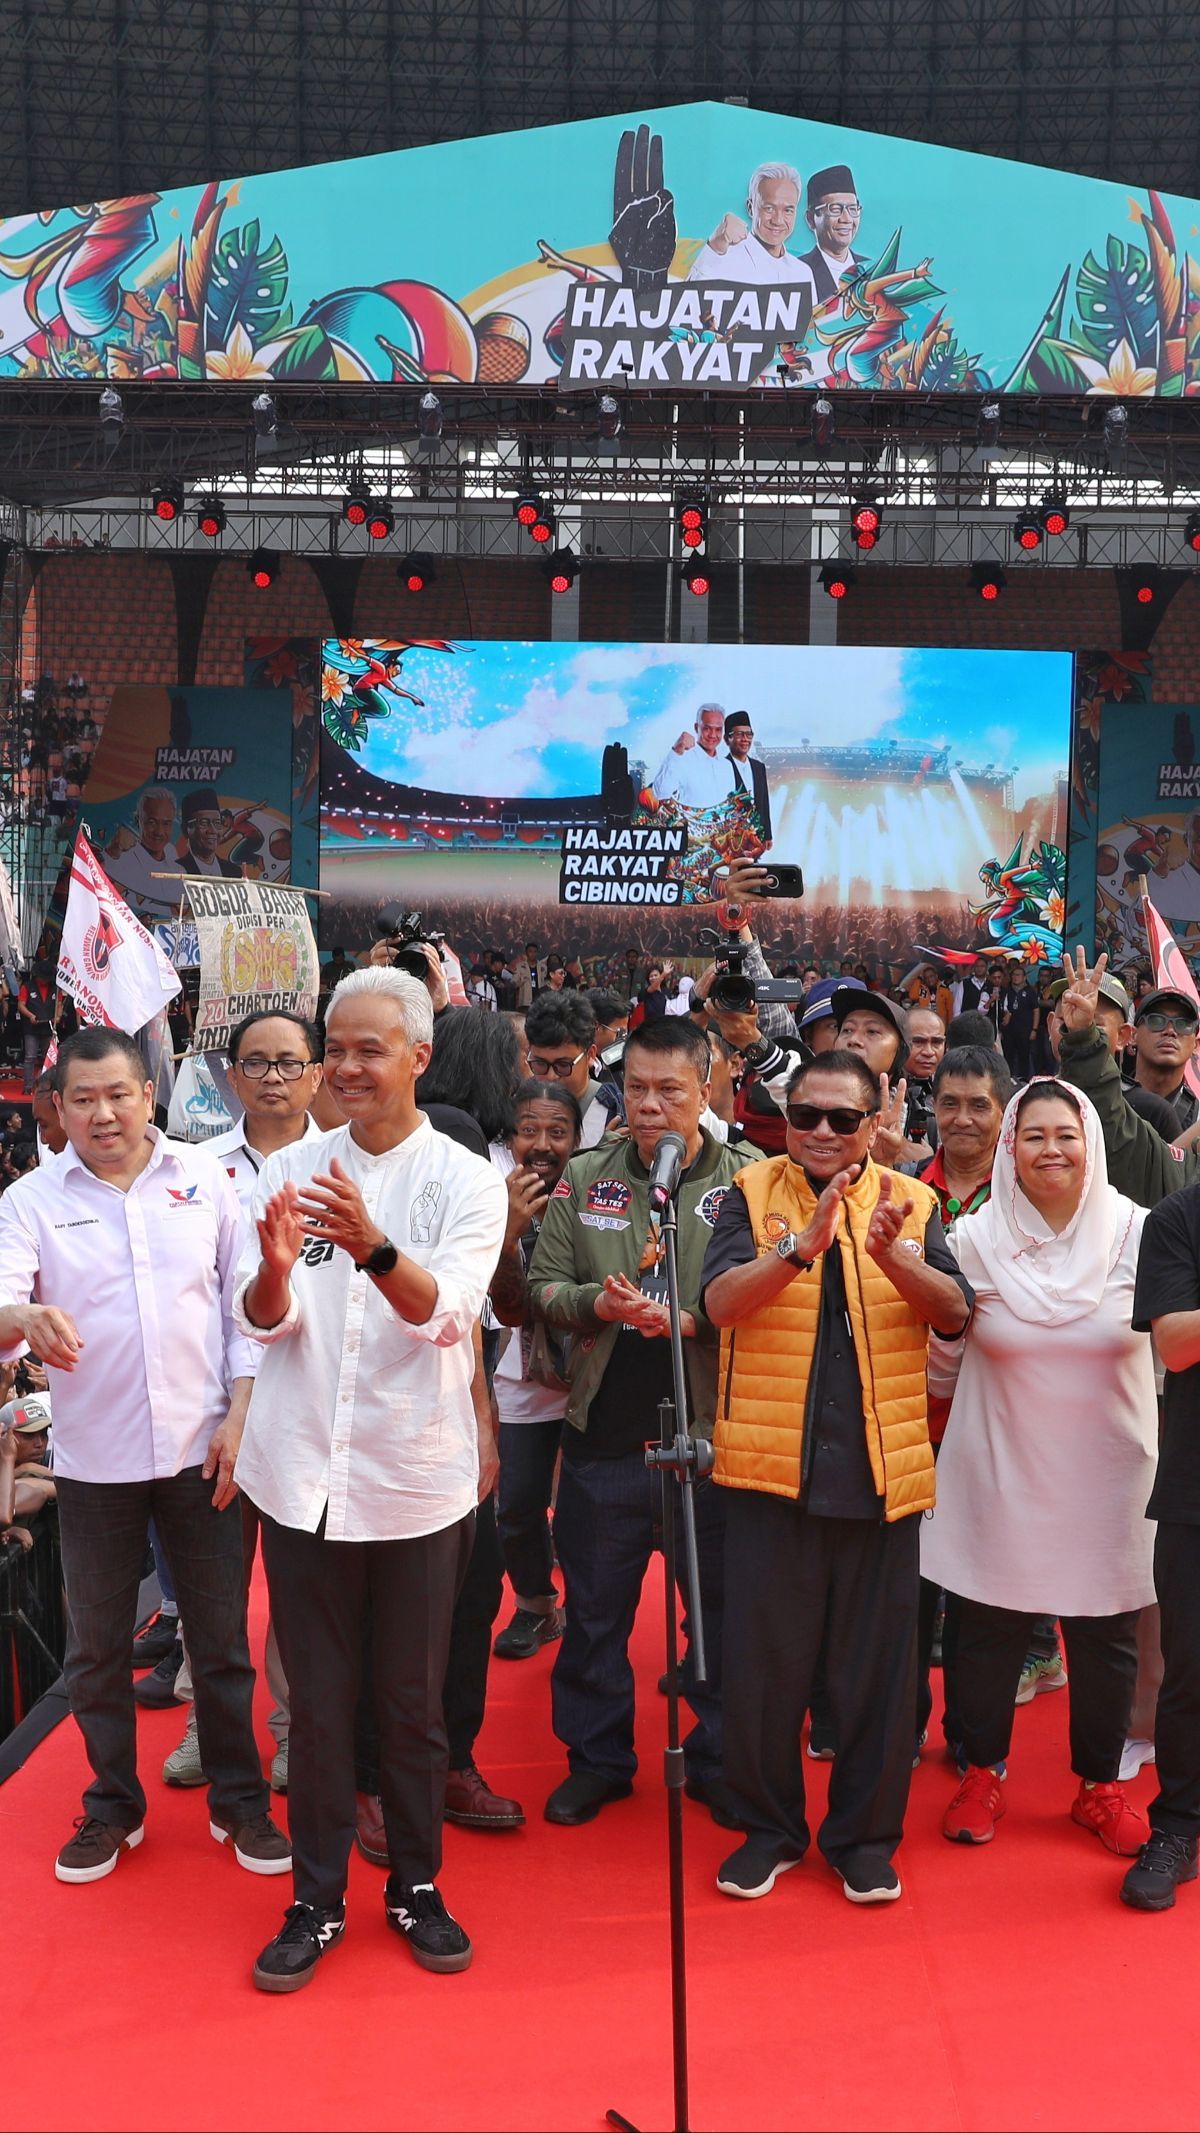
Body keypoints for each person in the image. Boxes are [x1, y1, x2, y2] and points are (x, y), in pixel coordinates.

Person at [230, 968, 507, 1992]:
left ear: (419, 1058)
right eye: (332, 1048)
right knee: (321, 1703)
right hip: (302, 1473)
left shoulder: (466, 1180)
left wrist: (377, 1247)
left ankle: (418, 1887)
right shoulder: (291, 1169)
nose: (344, 1067)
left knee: (410, 1704)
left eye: (367, 1049)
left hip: (415, 1479)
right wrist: (269, 1272)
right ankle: (314, 1898)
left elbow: (447, 1318)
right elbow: (267, 1321)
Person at [0, 1028, 288, 1884]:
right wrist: (24, 1320)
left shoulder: (208, 1181)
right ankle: (112, 1805)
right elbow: (3, 1299)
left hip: (205, 1451)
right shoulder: (31, 1201)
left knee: (221, 1642)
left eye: (118, 1094)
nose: (103, 1113)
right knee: (94, 1647)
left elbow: (248, 1312)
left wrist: (241, 1414)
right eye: (82, 1098)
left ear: (148, 1094)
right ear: (58, 1106)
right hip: (94, 1462)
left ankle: (240, 1804)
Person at [701, 1049, 972, 1903]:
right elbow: (717, 1306)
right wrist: (800, 1250)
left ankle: (861, 1837)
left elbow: (956, 1312)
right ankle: (770, 1828)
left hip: (881, 1477)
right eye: (804, 1115)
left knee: (879, 1681)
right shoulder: (746, 1195)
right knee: (760, 1673)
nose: (820, 1132)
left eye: (840, 1118)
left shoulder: (917, 1202)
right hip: (765, 1474)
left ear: (871, 1123)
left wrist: (893, 1258)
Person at [529, 1015, 758, 1829]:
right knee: (594, 1616)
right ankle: (596, 1761)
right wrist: (598, 1302)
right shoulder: (587, 1176)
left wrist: (689, 1318)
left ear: (709, 1090)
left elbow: (773, 1299)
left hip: (714, 1437)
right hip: (604, 1438)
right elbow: (543, 1285)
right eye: (637, 1090)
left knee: (722, 1619)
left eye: (671, 1090)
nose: (651, 1107)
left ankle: (720, 1760)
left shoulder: (752, 1179)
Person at [926, 1082, 1156, 1856]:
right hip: (1001, 1462)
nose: (1050, 1149)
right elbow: (940, 1363)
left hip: (1111, 1469)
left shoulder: (1140, 1236)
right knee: (985, 1627)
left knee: (1105, 1634)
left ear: (1091, 1141)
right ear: (1008, 1149)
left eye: (1066, 1133)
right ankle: (982, 1770)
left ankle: (1099, 1784)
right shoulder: (971, 1241)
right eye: (1033, 1136)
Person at [162, 1011, 327, 1794]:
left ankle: (295, 1730)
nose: (271, 1076)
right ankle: (209, 1724)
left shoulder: (339, 1169)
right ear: (231, 1075)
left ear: (316, 1074)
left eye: (289, 1062)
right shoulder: (190, 1171)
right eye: (255, 1062)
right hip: (215, 1405)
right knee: (214, 1580)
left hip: (306, 1407)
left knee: (297, 1587)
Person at [910, 1045, 1015, 1755]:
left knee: (984, 1601)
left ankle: (978, 1748)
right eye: (950, 1103)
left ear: (1005, 1112)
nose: (964, 1118)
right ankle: (898, 1726)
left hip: (1001, 1427)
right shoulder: (904, 1189)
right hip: (912, 1425)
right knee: (906, 1596)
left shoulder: (1031, 1200)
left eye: (980, 1104)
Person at [1124, 1166, 1200, 1906]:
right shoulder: (1178, 1217)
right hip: (1194, 1489)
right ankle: (1178, 1823)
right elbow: (1176, 1342)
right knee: (1191, 1673)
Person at [488, 1079, 580, 1659]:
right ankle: (534, 1604)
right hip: (522, 1377)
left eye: (557, 1132)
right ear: (512, 1137)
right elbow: (508, 1308)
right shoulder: (490, 1195)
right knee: (518, 1502)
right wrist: (507, 1234)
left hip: (593, 1375)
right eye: (530, 1130)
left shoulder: (597, 1189)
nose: (542, 1144)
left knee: (582, 1511)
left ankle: (593, 1611)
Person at [688, 161, 819, 297]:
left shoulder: (802, 274)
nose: (778, 220)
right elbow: (688, 304)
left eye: (788, 210)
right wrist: (715, 244)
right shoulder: (723, 259)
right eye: (769, 208)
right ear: (751, 208)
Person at [524, 989, 611, 1149]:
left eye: (563, 1066)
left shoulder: (612, 1112)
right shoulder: (518, 1105)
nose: (550, 1077)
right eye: (540, 1064)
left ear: (590, 1055)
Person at [1129, 987, 1199, 1133]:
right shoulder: (1109, 1102)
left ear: (1196, 1045)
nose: (1170, 1031)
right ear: (1132, 1035)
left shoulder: (1197, 1119)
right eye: (1156, 1020)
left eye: (1183, 1024)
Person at [104, 789, 181, 914]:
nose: (159, 832)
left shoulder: (170, 852)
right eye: (152, 822)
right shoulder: (121, 853)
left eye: (166, 824)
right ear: (139, 819)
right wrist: (112, 851)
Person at [648, 704, 735, 813]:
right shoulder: (681, 759)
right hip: (691, 828)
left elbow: (730, 805)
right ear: (696, 727)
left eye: (718, 729)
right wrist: (676, 751)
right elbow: (660, 793)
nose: (713, 735)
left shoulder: (726, 765)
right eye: (707, 728)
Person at [798, 163, 866, 304]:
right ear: (811, 219)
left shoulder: (871, 269)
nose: (847, 219)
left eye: (853, 209)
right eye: (835, 209)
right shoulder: (797, 271)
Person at [724, 712, 772, 844]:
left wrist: (767, 834)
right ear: (727, 739)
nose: (745, 739)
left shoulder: (759, 767)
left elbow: (763, 802)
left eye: (749, 734)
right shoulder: (721, 767)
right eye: (739, 734)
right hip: (731, 837)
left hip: (756, 837)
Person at [16, 964, 58, 1095]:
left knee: (49, 1057)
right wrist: (30, 1015)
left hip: (48, 1026)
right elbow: (21, 1005)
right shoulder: (27, 986)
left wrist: (58, 1016)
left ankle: (48, 1085)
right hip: (31, 1027)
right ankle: (28, 1086)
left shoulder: (55, 988)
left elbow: (59, 1004)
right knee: (30, 1057)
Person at [179, 792, 242, 878]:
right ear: (187, 829)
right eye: (204, 823)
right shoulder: (176, 870)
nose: (213, 830)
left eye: (217, 823)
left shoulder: (234, 872)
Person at [998, 965, 1040, 1080]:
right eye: (1014, 975)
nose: (1016, 977)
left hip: (1025, 1029)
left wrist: (1034, 1029)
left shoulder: (1030, 991)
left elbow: (1036, 1011)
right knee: (1008, 1055)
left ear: (1024, 977)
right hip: (1009, 1030)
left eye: (1018, 975)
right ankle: (1009, 1078)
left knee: (1024, 1056)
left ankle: (1024, 1080)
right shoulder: (1006, 991)